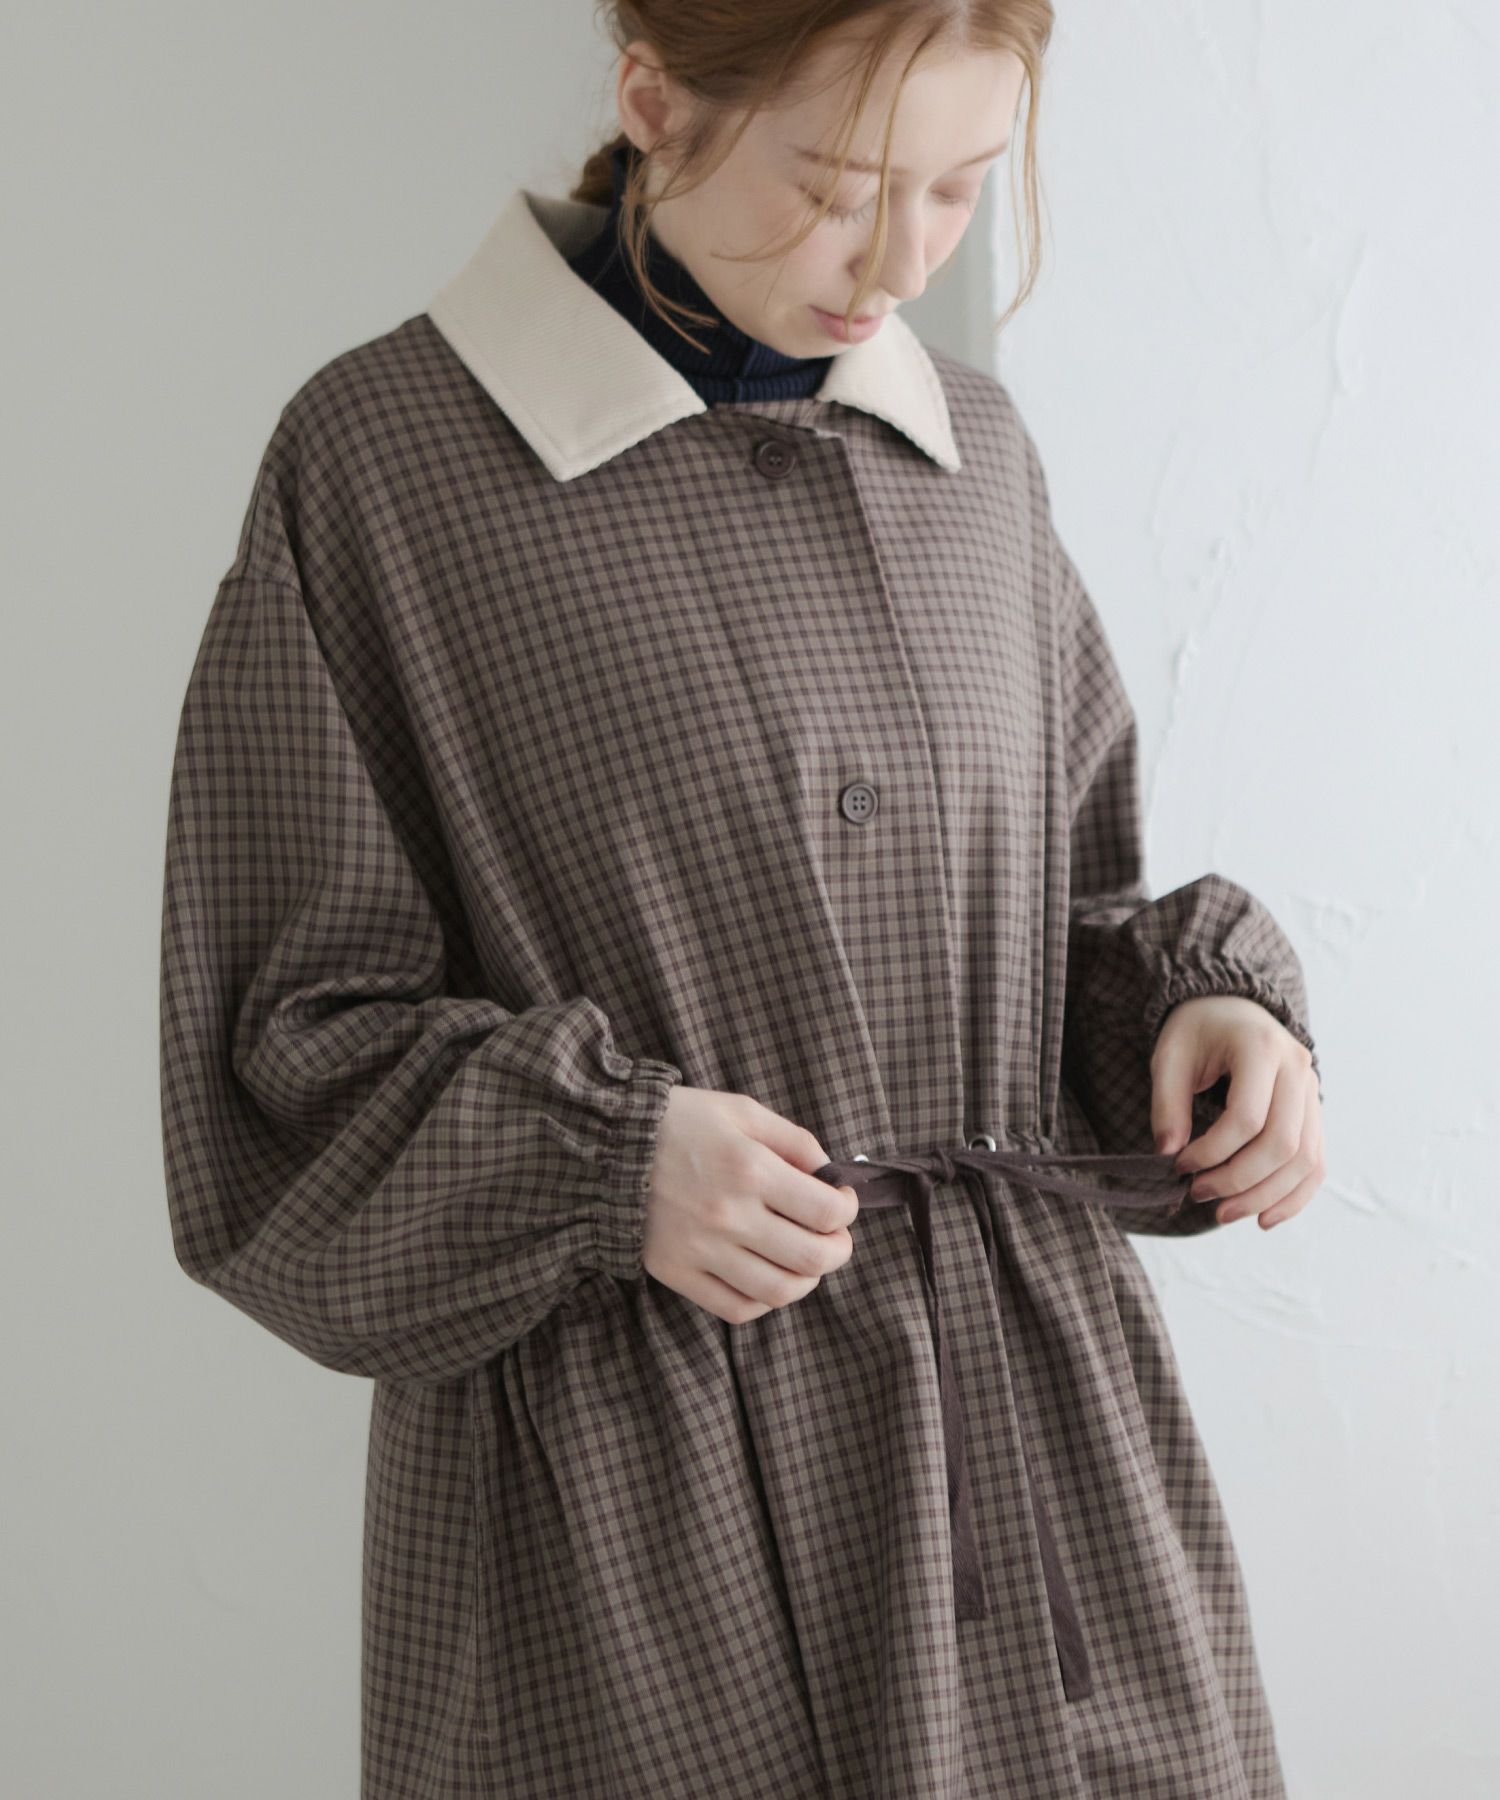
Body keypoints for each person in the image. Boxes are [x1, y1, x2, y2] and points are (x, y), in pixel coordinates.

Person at [157, 4, 1326, 1797]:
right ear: (652, 95)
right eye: (839, 187)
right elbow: (277, 1061)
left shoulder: (976, 460)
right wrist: (608, 1163)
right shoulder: (386, 466)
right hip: (637, 1522)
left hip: (1043, 1488)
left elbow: (1057, 933)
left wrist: (1203, 1013)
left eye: (959, 187)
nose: (901, 262)